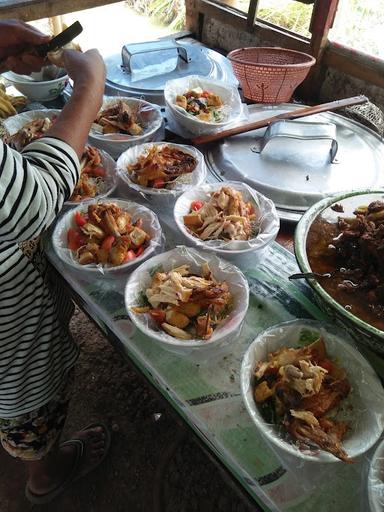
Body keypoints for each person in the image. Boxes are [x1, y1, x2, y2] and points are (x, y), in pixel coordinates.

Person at [0, 20, 111, 504]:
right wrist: (88, 89)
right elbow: (32, 203)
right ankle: (47, 471)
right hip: (11, 341)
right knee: (27, 404)